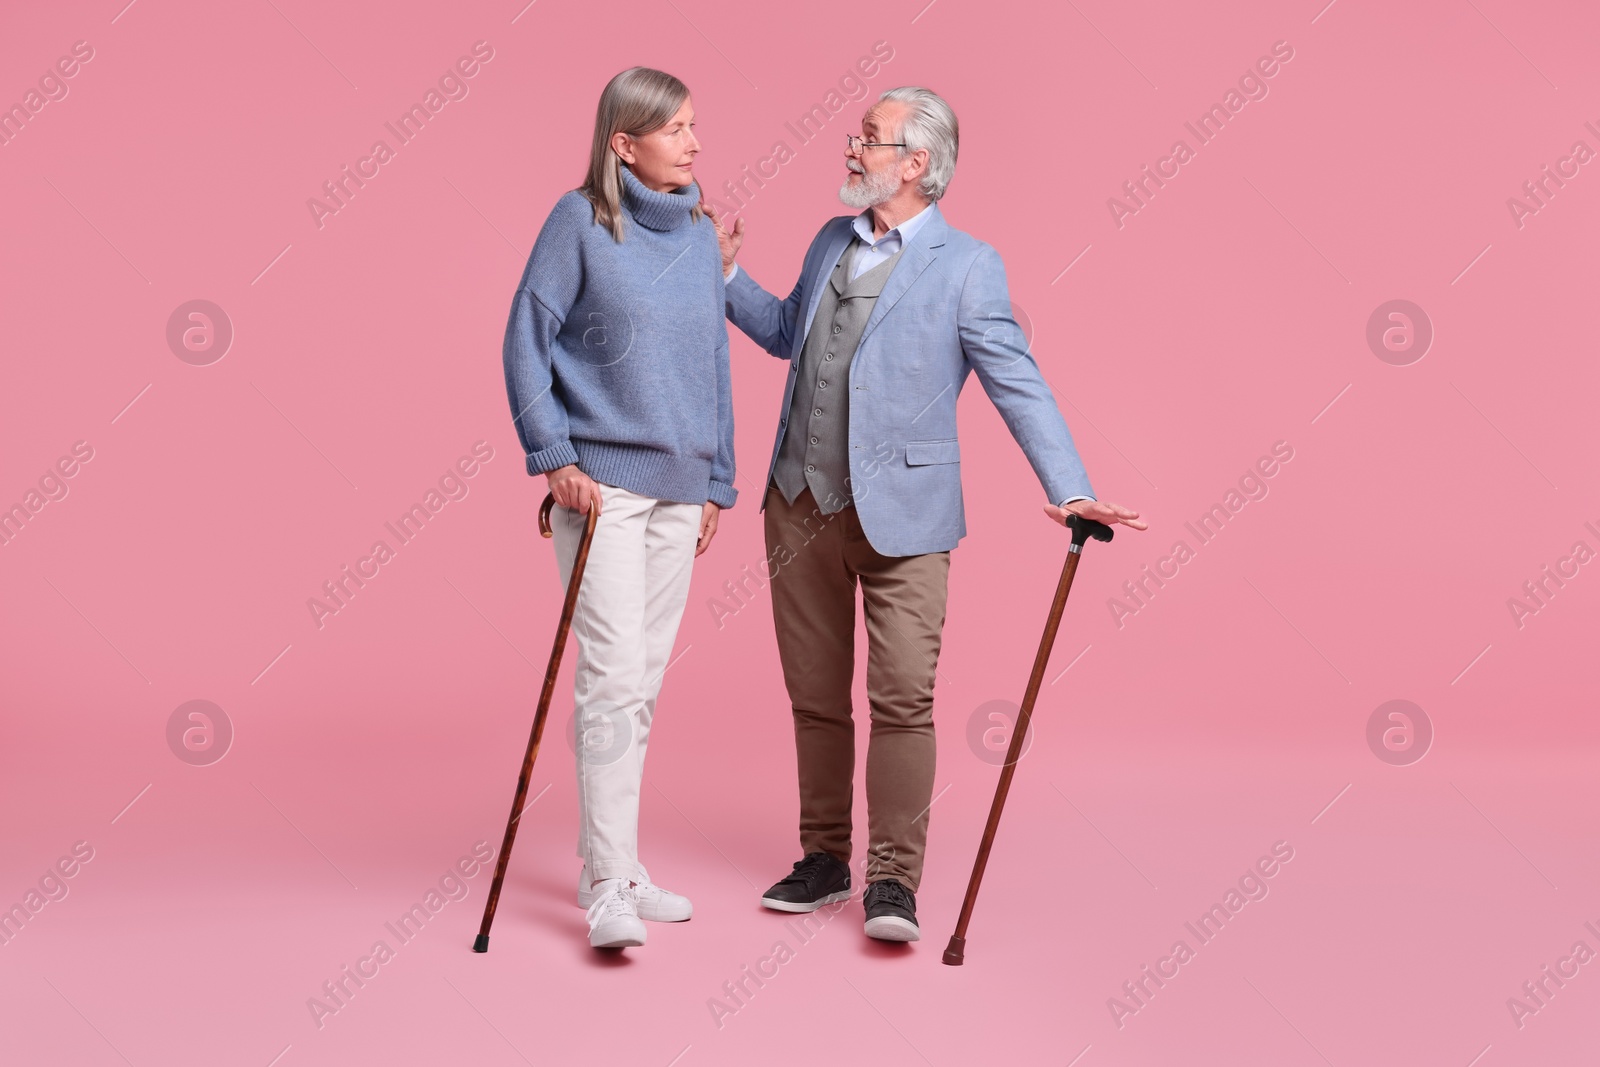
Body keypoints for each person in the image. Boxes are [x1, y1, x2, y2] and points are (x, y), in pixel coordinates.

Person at [705, 86, 1145, 942]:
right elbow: (789, 331)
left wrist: (1071, 485)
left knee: (903, 697)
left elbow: (1017, 380)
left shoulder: (969, 265)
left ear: (913, 163)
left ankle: (892, 879)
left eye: (866, 137)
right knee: (815, 696)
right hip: (798, 507)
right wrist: (727, 276)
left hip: (906, 518)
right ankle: (824, 857)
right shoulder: (831, 237)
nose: (850, 147)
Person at [501, 66, 736, 950]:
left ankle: (617, 861)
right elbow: (525, 336)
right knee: (609, 678)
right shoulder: (580, 221)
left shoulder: (700, 236)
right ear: (623, 144)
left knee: (640, 685)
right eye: (676, 129)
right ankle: (606, 886)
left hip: (680, 491)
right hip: (603, 490)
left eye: (693, 126)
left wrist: (717, 480)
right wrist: (553, 455)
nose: (695, 143)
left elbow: (714, 364)